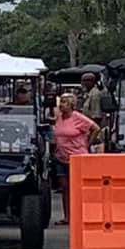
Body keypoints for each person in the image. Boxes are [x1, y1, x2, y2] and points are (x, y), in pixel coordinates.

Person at [50, 92, 99, 223]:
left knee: (78, 188)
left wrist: (87, 144)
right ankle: (68, 216)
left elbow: (95, 128)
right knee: (65, 188)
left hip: (76, 157)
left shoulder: (78, 118)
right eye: (61, 102)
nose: (62, 105)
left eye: (65, 102)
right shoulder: (59, 118)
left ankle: (83, 214)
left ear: (72, 105)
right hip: (61, 157)